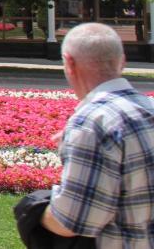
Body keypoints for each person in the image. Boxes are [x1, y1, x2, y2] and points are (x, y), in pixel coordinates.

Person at [40, 22, 154, 246]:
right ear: (122, 61)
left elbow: (71, 221)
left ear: (69, 63)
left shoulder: (92, 123)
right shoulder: (148, 107)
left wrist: (32, 210)